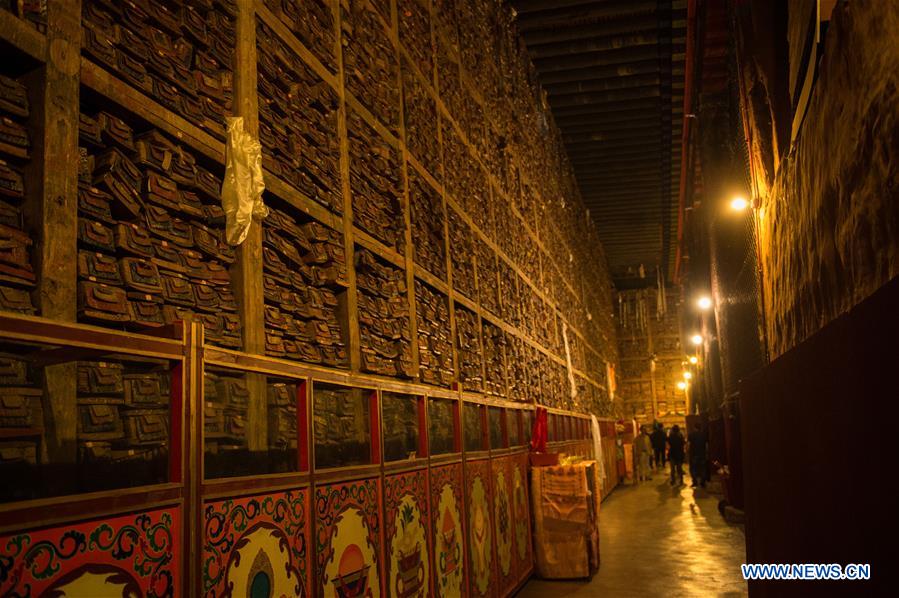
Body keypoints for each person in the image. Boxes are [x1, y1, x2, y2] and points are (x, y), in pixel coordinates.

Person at [688, 422, 708, 488]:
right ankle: (702, 482)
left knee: (693, 468)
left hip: (694, 454)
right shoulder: (703, 434)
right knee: (703, 468)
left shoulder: (691, 435)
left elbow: (688, 444)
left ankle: (695, 482)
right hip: (702, 454)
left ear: (694, 428)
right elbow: (706, 445)